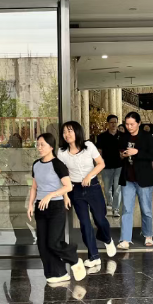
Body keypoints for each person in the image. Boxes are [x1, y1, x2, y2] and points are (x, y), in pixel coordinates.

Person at [27, 132, 86, 283]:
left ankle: (74, 259)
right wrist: (30, 205)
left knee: (54, 242)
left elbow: (68, 186)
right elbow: (34, 187)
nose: (39, 147)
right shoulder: (36, 164)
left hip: (55, 207)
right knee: (43, 245)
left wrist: (50, 195)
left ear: (51, 147)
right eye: (38, 145)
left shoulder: (58, 165)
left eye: (42, 145)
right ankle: (57, 274)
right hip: (40, 207)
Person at [59, 121, 116, 268]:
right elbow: (62, 175)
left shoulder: (88, 146)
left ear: (77, 131)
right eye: (64, 132)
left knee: (100, 219)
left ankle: (107, 239)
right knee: (85, 223)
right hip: (75, 190)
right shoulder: (62, 152)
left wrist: (89, 176)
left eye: (70, 131)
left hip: (93, 186)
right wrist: (65, 195)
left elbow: (101, 163)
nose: (67, 134)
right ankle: (94, 256)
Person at [118, 112, 153, 249]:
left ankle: (148, 235)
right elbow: (119, 153)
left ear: (139, 123)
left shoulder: (147, 137)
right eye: (127, 124)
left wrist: (137, 153)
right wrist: (123, 155)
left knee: (146, 209)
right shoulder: (123, 137)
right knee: (126, 209)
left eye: (132, 124)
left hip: (144, 178)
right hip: (128, 178)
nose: (129, 127)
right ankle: (125, 239)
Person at [95, 115, 123, 217]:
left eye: (115, 122)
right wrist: (99, 164)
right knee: (107, 189)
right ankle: (110, 202)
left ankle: (116, 209)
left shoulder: (122, 136)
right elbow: (99, 151)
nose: (113, 124)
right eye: (111, 122)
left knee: (117, 189)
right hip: (106, 166)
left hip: (119, 165)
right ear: (108, 123)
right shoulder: (102, 137)